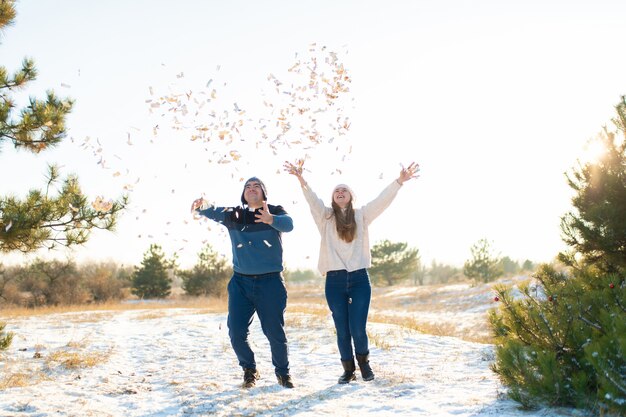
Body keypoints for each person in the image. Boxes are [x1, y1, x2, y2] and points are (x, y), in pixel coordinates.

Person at [284, 161, 419, 384]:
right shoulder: (325, 217)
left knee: (358, 327)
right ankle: (348, 370)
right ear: (332, 197)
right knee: (342, 329)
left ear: (350, 196)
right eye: (336, 190)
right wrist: (301, 180)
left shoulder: (362, 216)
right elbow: (312, 200)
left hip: (359, 279)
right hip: (334, 281)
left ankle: (364, 366)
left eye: (344, 189)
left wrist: (399, 182)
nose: (340, 192)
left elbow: (381, 201)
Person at [190, 177, 295, 389]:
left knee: (274, 331)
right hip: (240, 283)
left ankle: (283, 374)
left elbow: (289, 225)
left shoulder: (274, 210)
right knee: (236, 332)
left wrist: (270, 219)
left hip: (271, 283)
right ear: (243, 193)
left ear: (264, 193)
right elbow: (210, 210)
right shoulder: (234, 214)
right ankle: (249, 369)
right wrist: (201, 205)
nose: (252, 189)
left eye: (257, 186)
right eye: (248, 187)